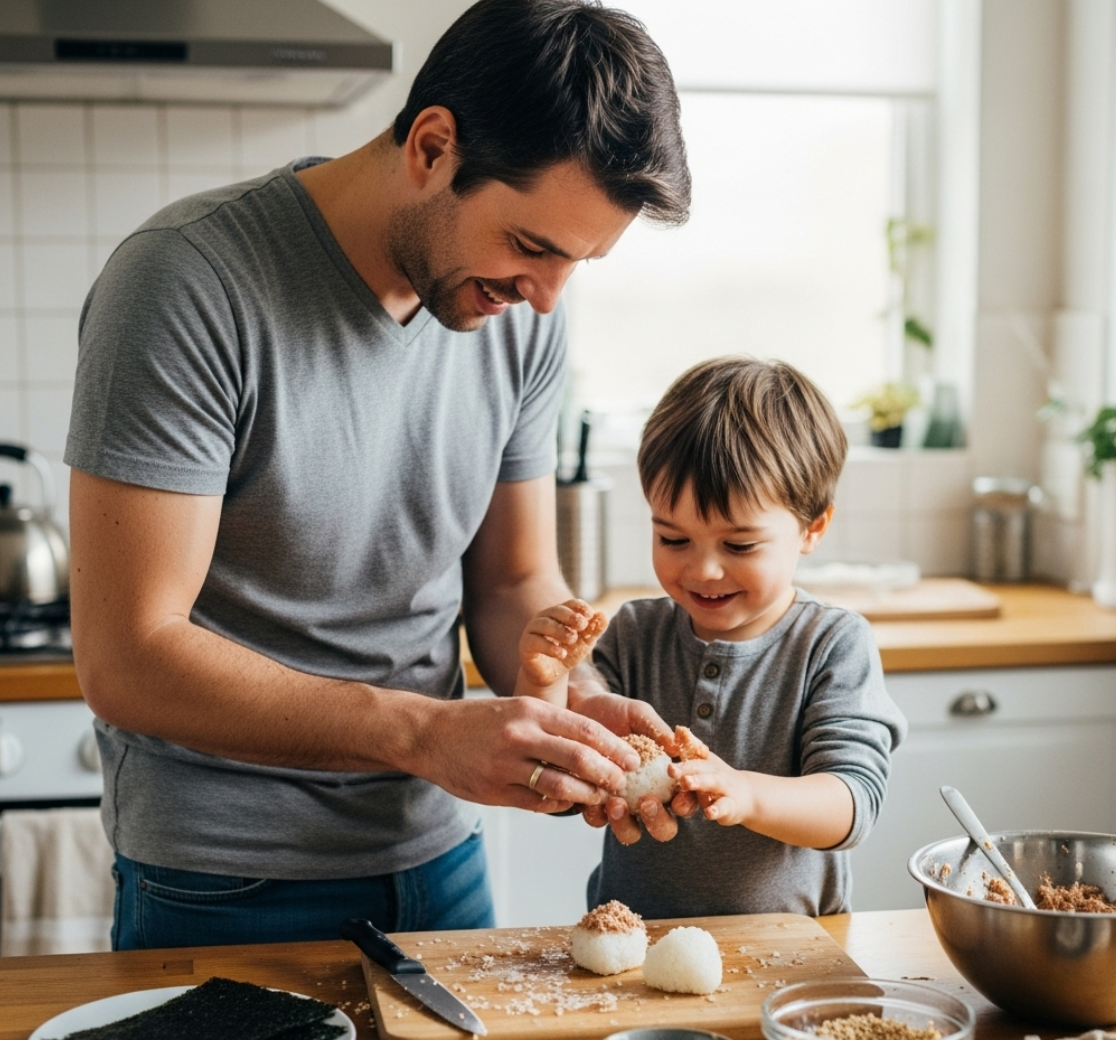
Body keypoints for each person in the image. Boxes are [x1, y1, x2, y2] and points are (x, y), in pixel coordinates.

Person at [64, 0, 690, 950]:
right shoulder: (187, 283)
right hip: (226, 881)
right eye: (530, 246)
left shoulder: (523, 315)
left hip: (441, 859)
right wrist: (420, 733)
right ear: (432, 147)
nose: (546, 297)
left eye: (580, 262)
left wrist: (579, 705)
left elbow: (516, 582)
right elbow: (129, 656)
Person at [514, 356, 907, 918]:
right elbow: (554, 787)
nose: (703, 571)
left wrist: (746, 794)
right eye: (673, 539)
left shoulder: (831, 645)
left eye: (740, 546)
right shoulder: (634, 632)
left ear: (812, 528)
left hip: (792, 953)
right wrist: (543, 679)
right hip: (632, 946)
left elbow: (850, 805)